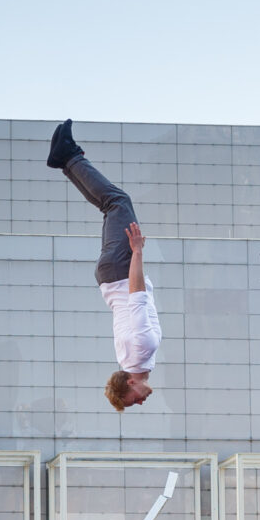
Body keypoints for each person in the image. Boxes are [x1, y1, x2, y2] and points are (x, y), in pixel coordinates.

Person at [48, 120, 159, 411]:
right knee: (109, 206)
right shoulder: (128, 360)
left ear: (131, 384)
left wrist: (137, 252)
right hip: (110, 276)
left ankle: (69, 156)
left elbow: (136, 297)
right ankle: (65, 160)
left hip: (122, 271)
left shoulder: (141, 350)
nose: (141, 402)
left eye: (133, 401)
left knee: (118, 202)